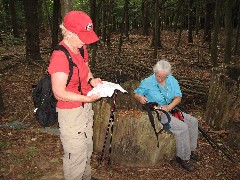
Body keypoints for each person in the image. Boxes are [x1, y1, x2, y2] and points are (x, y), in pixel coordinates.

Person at [48, 11, 102, 180]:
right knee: (75, 154)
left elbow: (86, 70)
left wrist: (92, 80)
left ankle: (86, 177)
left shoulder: (81, 48)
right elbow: (59, 92)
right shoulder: (60, 56)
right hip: (70, 112)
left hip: (86, 108)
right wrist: (85, 98)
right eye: (83, 36)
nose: (86, 40)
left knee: (87, 146)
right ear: (69, 33)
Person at [134, 59, 199, 172]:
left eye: (163, 77)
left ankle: (191, 150)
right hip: (157, 112)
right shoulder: (147, 81)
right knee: (182, 128)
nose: (160, 79)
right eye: (158, 76)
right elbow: (136, 94)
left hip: (169, 108)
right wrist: (140, 98)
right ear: (155, 72)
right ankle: (183, 157)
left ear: (168, 75)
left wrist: (169, 107)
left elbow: (178, 97)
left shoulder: (172, 80)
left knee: (193, 122)